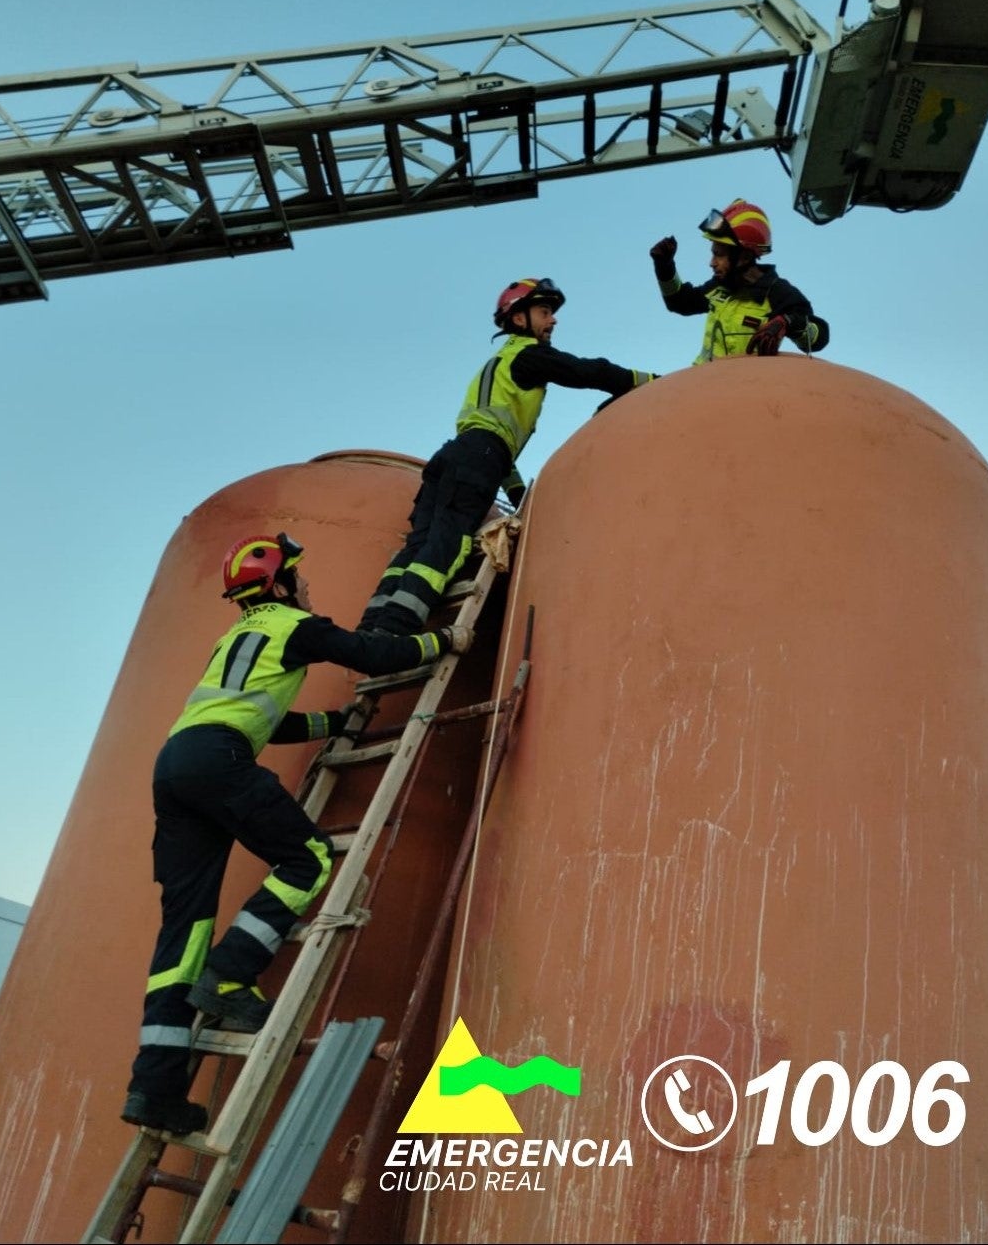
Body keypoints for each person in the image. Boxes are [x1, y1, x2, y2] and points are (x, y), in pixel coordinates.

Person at [122, 531, 472, 1136]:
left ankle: (153, 1090)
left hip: (176, 765)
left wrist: (333, 722)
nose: (306, 586)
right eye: (299, 576)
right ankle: (232, 975)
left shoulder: (233, 638)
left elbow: (265, 719)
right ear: (279, 585)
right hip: (220, 759)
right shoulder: (293, 624)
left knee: (185, 928)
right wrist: (443, 640)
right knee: (308, 857)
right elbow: (372, 654)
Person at [357, 277, 658, 635]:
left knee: (418, 543)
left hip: (454, 455)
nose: (553, 320)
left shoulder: (497, 363)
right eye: (544, 312)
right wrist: (652, 381)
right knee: (450, 541)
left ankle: (371, 627)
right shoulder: (528, 355)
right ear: (519, 319)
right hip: (478, 455)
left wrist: (520, 499)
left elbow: (497, 446)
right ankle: (394, 629)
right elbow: (588, 371)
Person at [650, 199, 829, 365]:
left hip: (746, 386)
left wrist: (788, 322)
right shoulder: (719, 286)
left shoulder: (778, 292)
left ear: (744, 257)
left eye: (719, 255)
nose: (711, 263)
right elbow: (679, 302)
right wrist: (664, 266)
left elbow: (819, 338)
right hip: (703, 382)